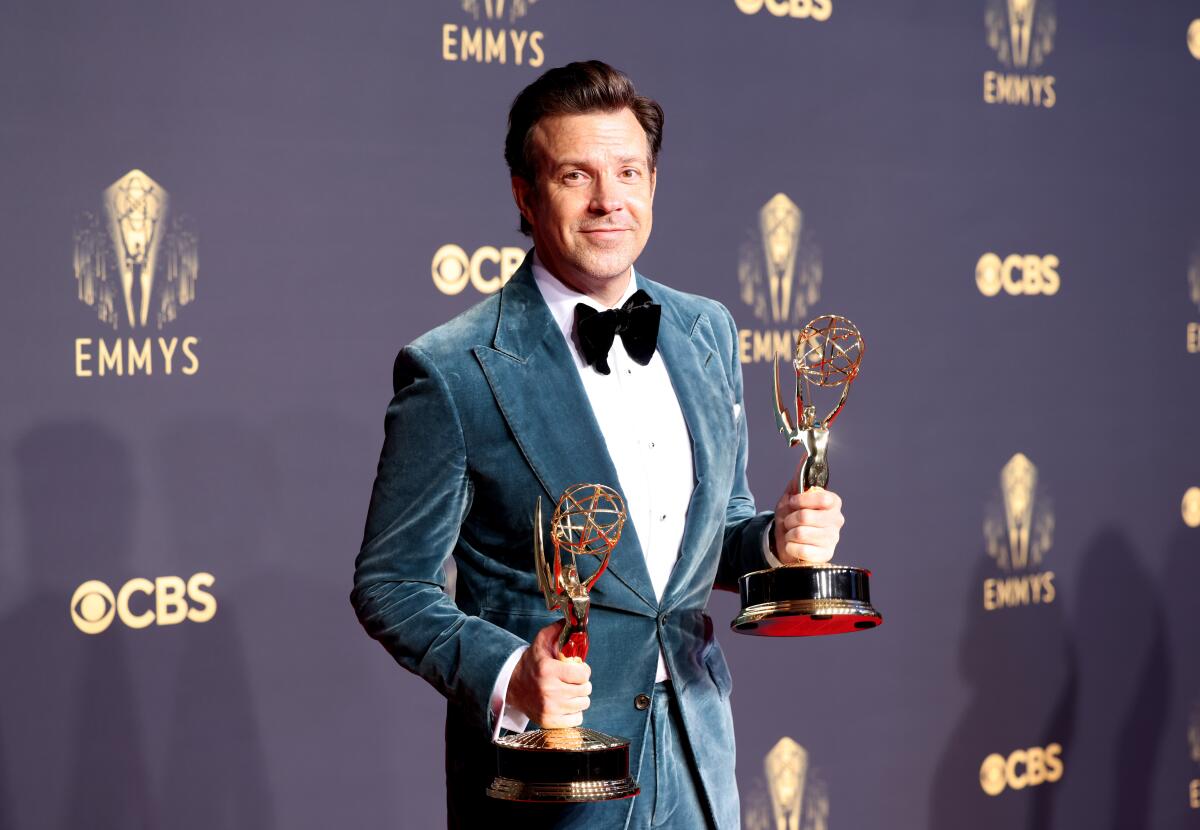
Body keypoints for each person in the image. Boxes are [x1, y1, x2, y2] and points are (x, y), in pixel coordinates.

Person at [351, 60, 845, 830]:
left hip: (695, 762)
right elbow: (391, 584)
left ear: (653, 181)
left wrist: (777, 544)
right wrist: (511, 674)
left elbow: (705, 543)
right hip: (548, 781)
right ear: (525, 192)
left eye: (628, 171)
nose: (609, 200)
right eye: (577, 175)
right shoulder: (452, 369)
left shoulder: (705, 331)